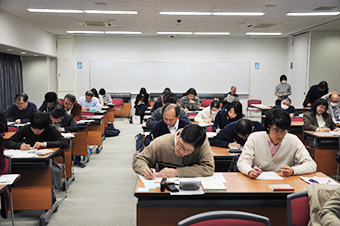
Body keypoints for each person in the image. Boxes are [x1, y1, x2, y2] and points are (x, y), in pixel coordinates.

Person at [237, 108, 317, 179]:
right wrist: (249, 171)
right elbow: (242, 162)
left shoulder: (293, 140)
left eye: (284, 130)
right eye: (276, 130)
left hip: (283, 184)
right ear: (267, 128)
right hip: (257, 183)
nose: (280, 135)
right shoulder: (254, 138)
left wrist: (293, 170)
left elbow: (311, 165)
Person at [5, 112, 69, 199]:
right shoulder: (27, 128)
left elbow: (64, 142)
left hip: (45, 160)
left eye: (39, 130)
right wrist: (19, 145)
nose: (36, 132)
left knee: (47, 172)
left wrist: (45, 144)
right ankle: (18, 199)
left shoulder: (51, 128)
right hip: (27, 158)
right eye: (34, 129)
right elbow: (8, 142)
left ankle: (50, 197)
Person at [133, 124, 214, 179]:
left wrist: (177, 172)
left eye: (188, 151)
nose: (181, 151)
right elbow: (139, 159)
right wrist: (145, 170)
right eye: (180, 145)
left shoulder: (202, 144)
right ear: (179, 133)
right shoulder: (161, 142)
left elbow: (208, 168)